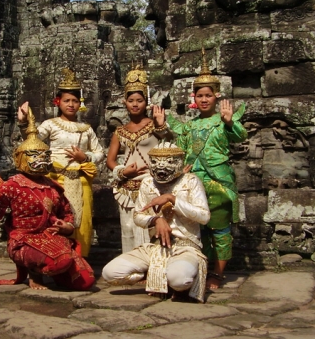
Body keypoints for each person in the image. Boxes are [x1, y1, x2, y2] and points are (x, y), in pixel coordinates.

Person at [0, 106, 95, 291]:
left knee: (86, 280)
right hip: (23, 240)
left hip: (52, 239)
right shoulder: (13, 185)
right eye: (35, 156)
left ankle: (54, 269)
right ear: (22, 159)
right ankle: (34, 272)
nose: (43, 160)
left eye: (45, 156)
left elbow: (67, 213)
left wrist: (67, 226)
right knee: (61, 262)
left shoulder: (51, 185)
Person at [167, 48, 247, 290]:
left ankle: (218, 273)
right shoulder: (189, 126)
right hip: (193, 183)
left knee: (220, 229)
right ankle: (199, 267)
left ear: (217, 97)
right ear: (194, 98)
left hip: (219, 183)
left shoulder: (223, 122)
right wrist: (162, 129)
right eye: (199, 95)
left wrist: (230, 121)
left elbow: (240, 137)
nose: (204, 100)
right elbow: (179, 151)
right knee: (197, 228)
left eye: (208, 95)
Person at [102, 142, 210, 302]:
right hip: (155, 247)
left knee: (180, 279)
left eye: (170, 162)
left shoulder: (190, 181)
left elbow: (204, 216)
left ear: (180, 161)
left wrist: (173, 199)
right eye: (155, 162)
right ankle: (155, 273)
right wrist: (155, 219)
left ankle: (174, 280)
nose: (162, 167)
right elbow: (138, 215)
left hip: (185, 246)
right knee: (110, 273)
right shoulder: (147, 183)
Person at [17, 68, 104, 257]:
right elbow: (34, 140)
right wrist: (24, 123)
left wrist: (85, 157)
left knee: (82, 219)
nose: (71, 104)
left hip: (80, 180)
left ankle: (78, 258)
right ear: (58, 102)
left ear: (80, 103)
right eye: (66, 100)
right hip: (56, 179)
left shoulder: (86, 129)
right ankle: (54, 256)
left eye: (74, 100)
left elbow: (100, 153)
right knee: (54, 218)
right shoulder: (50, 124)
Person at [106, 65, 172, 253]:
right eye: (131, 100)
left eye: (140, 100)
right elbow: (110, 160)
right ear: (124, 102)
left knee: (150, 225)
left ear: (146, 102)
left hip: (150, 183)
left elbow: (170, 146)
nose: (135, 104)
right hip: (126, 185)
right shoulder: (120, 131)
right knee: (128, 228)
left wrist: (161, 126)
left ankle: (152, 265)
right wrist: (122, 171)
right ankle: (132, 266)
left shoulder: (154, 126)